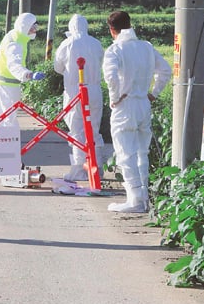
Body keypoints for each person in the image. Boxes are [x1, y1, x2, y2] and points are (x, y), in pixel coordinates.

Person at [103, 11, 171, 213]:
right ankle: (144, 199)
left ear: (112, 30)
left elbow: (111, 77)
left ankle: (134, 200)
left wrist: (115, 98)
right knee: (142, 152)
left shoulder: (115, 50)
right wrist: (154, 93)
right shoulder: (147, 47)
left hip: (125, 105)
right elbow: (165, 71)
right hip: (144, 104)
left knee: (125, 154)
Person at [54, 14, 105, 182]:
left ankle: (78, 171)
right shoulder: (96, 43)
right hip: (95, 91)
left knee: (76, 131)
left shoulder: (67, 44)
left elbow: (57, 67)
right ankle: (97, 169)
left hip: (75, 92)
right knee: (93, 130)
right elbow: (101, 62)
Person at [0, 12, 46, 127]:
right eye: (33, 27)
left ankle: (5, 144)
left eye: (36, 27)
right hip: (4, 88)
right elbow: (14, 65)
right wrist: (29, 75)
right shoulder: (15, 44)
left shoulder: (17, 36)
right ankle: (6, 145)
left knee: (4, 122)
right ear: (25, 27)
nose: (35, 30)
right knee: (6, 123)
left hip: (6, 86)